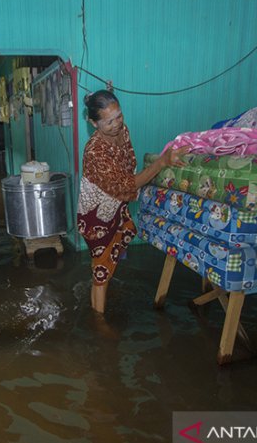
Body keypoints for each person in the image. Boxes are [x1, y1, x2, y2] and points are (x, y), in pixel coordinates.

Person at [77, 90, 187, 314]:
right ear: (93, 123)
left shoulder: (122, 131)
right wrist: (162, 163)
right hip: (95, 216)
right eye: (108, 122)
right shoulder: (95, 151)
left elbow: (127, 166)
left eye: (119, 116)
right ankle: (98, 324)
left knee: (106, 263)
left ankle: (100, 298)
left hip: (115, 206)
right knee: (101, 272)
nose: (117, 124)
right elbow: (127, 184)